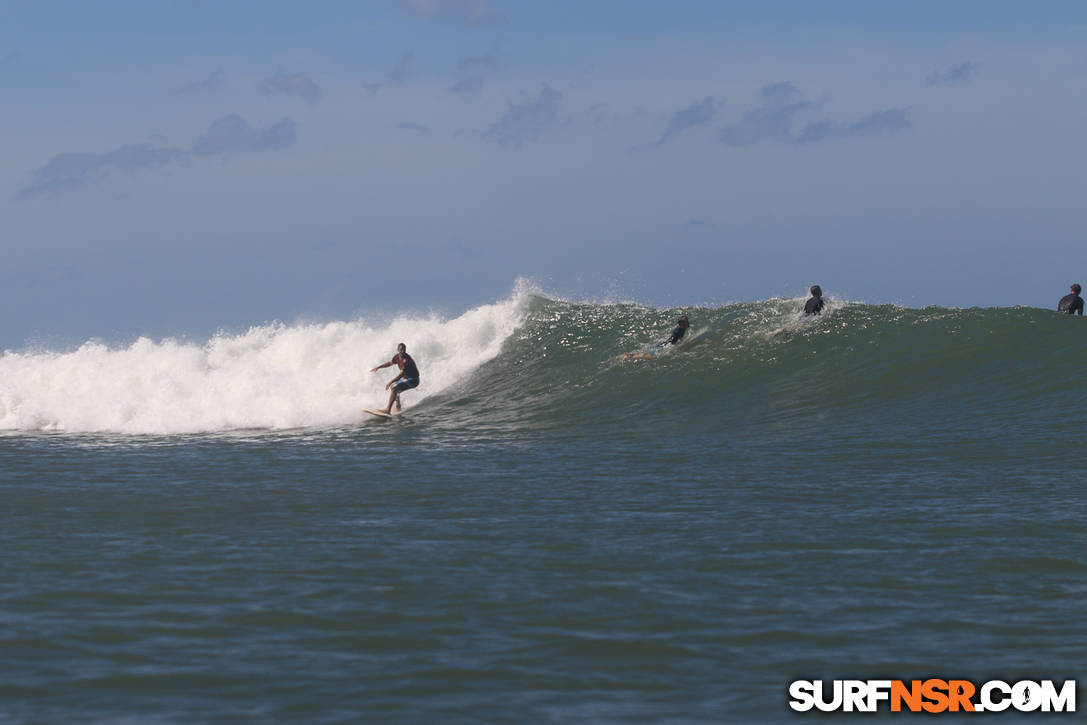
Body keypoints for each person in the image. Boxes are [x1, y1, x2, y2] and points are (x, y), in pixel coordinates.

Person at [370, 343, 420, 414]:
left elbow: (400, 375)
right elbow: (390, 363)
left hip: (414, 380)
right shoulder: (397, 357)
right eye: (401, 349)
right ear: (398, 350)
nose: (402, 351)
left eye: (404, 350)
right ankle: (398, 407)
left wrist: (389, 382)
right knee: (394, 387)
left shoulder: (406, 360)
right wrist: (379, 367)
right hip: (407, 378)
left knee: (394, 387)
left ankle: (387, 410)